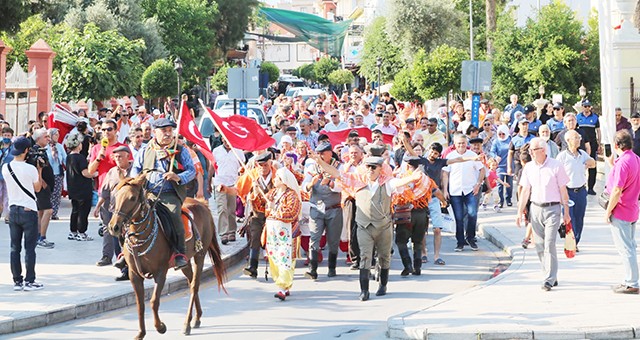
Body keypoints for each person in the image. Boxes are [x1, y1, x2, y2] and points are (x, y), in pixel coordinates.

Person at [312, 145, 420, 301]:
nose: (370, 170)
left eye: (373, 167)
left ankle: (383, 284)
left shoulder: (387, 183)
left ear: (380, 169)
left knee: (384, 257)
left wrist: (413, 177)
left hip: (383, 227)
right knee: (365, 257)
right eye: (368, 166)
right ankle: (364, 290)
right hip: (364, 227)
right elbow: (336, 173)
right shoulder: (356, 181)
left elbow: (400, 182)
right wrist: (320, 162)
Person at [131, 118, 196, 270]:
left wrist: (178, 177)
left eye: (170, 131)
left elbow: (191, 171)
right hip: (148, 192)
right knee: (129, 212)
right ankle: (126, 252)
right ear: (155, 132)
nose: (168, 134)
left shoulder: (180, 150)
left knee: (174, 214)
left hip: (169, 194)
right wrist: (136, 180)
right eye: (164, 131)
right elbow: (135, 168)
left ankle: (180, 252)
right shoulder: (145, 149)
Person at [516, 137, 570, 291]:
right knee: (539, 245)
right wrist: (519, 212)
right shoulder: (528, 168)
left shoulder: (556, 165)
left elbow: (563, 190)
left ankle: (549, 278)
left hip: (553, 209)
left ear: (543, 150)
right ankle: (550, 273)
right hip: (536, 208)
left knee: (549, 243)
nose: (531, 153)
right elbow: (525, 190)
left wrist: (566, 212)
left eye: (534, 150)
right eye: (530, 150)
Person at [4, 136, 44, 291]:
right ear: (27, 150)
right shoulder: (31, 169)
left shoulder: (6, 168)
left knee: (15, 247)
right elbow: (38, 188)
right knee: (30, 248)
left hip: (13, 210)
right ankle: (29, 281)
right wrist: (39, 169)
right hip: (28, 210)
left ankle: (17, 281)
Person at [604, 130, 640, 294]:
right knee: (630, 246)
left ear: (616, 145)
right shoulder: (634, 158)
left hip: (621, 209)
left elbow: (617, 189)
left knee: (626, 248)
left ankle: (632, 282)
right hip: (632, 208)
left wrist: (608, 211)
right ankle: (629, 279)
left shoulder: (623, 162)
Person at [303, 142, 343, 279]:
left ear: (330, 153)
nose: (319, 156)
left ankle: (332, 268)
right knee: (314, 238)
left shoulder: (338, 166)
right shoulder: (312, 168)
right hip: (316, 207)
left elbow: (341, 186)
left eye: (322, 154)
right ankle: (313, 269)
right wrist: (310, 184)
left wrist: (331, 183)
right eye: (318, 154)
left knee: (333, 240)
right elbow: (304, 186)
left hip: (334, 209)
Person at [93, 145, 132, 280]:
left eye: (120, 156)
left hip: (130, 212)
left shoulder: (135, 170)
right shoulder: (112, 172)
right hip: (114, 211)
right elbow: (105, 192)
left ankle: (131, 267)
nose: (118, 159)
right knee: (116, 238)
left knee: (129, 239)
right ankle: (123, 266)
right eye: (115, 157)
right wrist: (98, 207)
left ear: (128, 156)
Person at [236, 152, 276, 278]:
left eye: (265, 165)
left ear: (270, 163)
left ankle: (277, 268)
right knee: (254, 238)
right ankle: (253, 267)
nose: (263, 168)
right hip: (257, 214)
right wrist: (225, 189)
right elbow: (239, 189)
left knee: (272, 241)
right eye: (260, 165)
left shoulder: (277, 175)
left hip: (274, 215)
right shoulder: (252, 175)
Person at [442, 134, 486, 252]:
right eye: (459, 143)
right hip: (455, 190)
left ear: (466, 144)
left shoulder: (472, 155)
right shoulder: (451, 156)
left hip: (470, 190)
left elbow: (482, 170)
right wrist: (445, 190)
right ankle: (460, 241)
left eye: (463, 143)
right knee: (459, 217)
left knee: (472, 214)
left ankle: (471, 238)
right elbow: (445, 174)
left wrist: (478, 184)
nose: (461, 145)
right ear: (455, 144)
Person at [266, 167, 302, 300]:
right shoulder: (272, 193)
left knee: (284, 258)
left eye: (277, 178)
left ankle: (282, 286)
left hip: (286, 233)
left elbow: (291, 213)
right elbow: (265, 209)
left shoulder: (292, 195)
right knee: (274, 257)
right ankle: (283, 285)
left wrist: (275, 208)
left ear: (283, 181)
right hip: (272, 232)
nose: (274, 180)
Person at [556, 130, 595, 249]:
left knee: (579, 218)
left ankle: (575, 242)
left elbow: (593, 163)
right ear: (568, 141)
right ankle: (570, 243)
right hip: (568, 192)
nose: (579, 140)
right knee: (569, 218)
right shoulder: (562, 156)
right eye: (576, 138)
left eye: (579, 137)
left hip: (581, 191)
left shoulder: (582, 154)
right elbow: (555, 175)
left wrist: (589, 162)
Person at [212, 139, 244, 245]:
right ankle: (223, 233)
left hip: (233, 184)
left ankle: (231, 231)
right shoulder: (216, 151)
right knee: (222, 209)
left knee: (231, 209)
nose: (227, 142)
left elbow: (242, 167)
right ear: (222, 139)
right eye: (225, 140)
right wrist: (208, 182)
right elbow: (212, 166)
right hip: (219, 183)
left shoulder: (238, 151)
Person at [65, 133, 95, 241]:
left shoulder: (69, 157)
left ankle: (73, 231)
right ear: (78, 145)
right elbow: (85, 173)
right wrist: (94, 174)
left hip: (73, 188)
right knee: (83, 211)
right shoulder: (80, 158)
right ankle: (82, 232)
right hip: (83, 188)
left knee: (75, 210)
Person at [31, 129, 55, 249]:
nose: (48, 138)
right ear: (38, 138)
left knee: (41, 212)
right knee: (48, 210)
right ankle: (42, 238)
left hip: (45, 186)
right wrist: (42, 182)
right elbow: (35, 168)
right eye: (45, 137)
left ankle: (38, 236)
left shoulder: (42, 150)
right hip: (41, 187)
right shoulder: (35, 151)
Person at [490, 125, 513, 209]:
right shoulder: (496, 141)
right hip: (499, 166)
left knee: (509, 184)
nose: (502, 136)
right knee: (500, 184)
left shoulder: (510, 140)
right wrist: (495, 157)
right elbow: (492, 151)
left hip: (509, 165)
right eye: (499, 134)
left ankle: (508, 199)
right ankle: (501, 200)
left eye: (503, 134)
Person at [46, 128, 66, 220]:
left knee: (57, 194)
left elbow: (65, 159)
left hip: (58, 173)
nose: (57, 137)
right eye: (55, 135)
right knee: (48, 193)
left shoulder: (60, 146)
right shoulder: (46, 146)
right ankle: (47, 211)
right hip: (48, 173)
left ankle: (54, 212)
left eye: (58, 135)